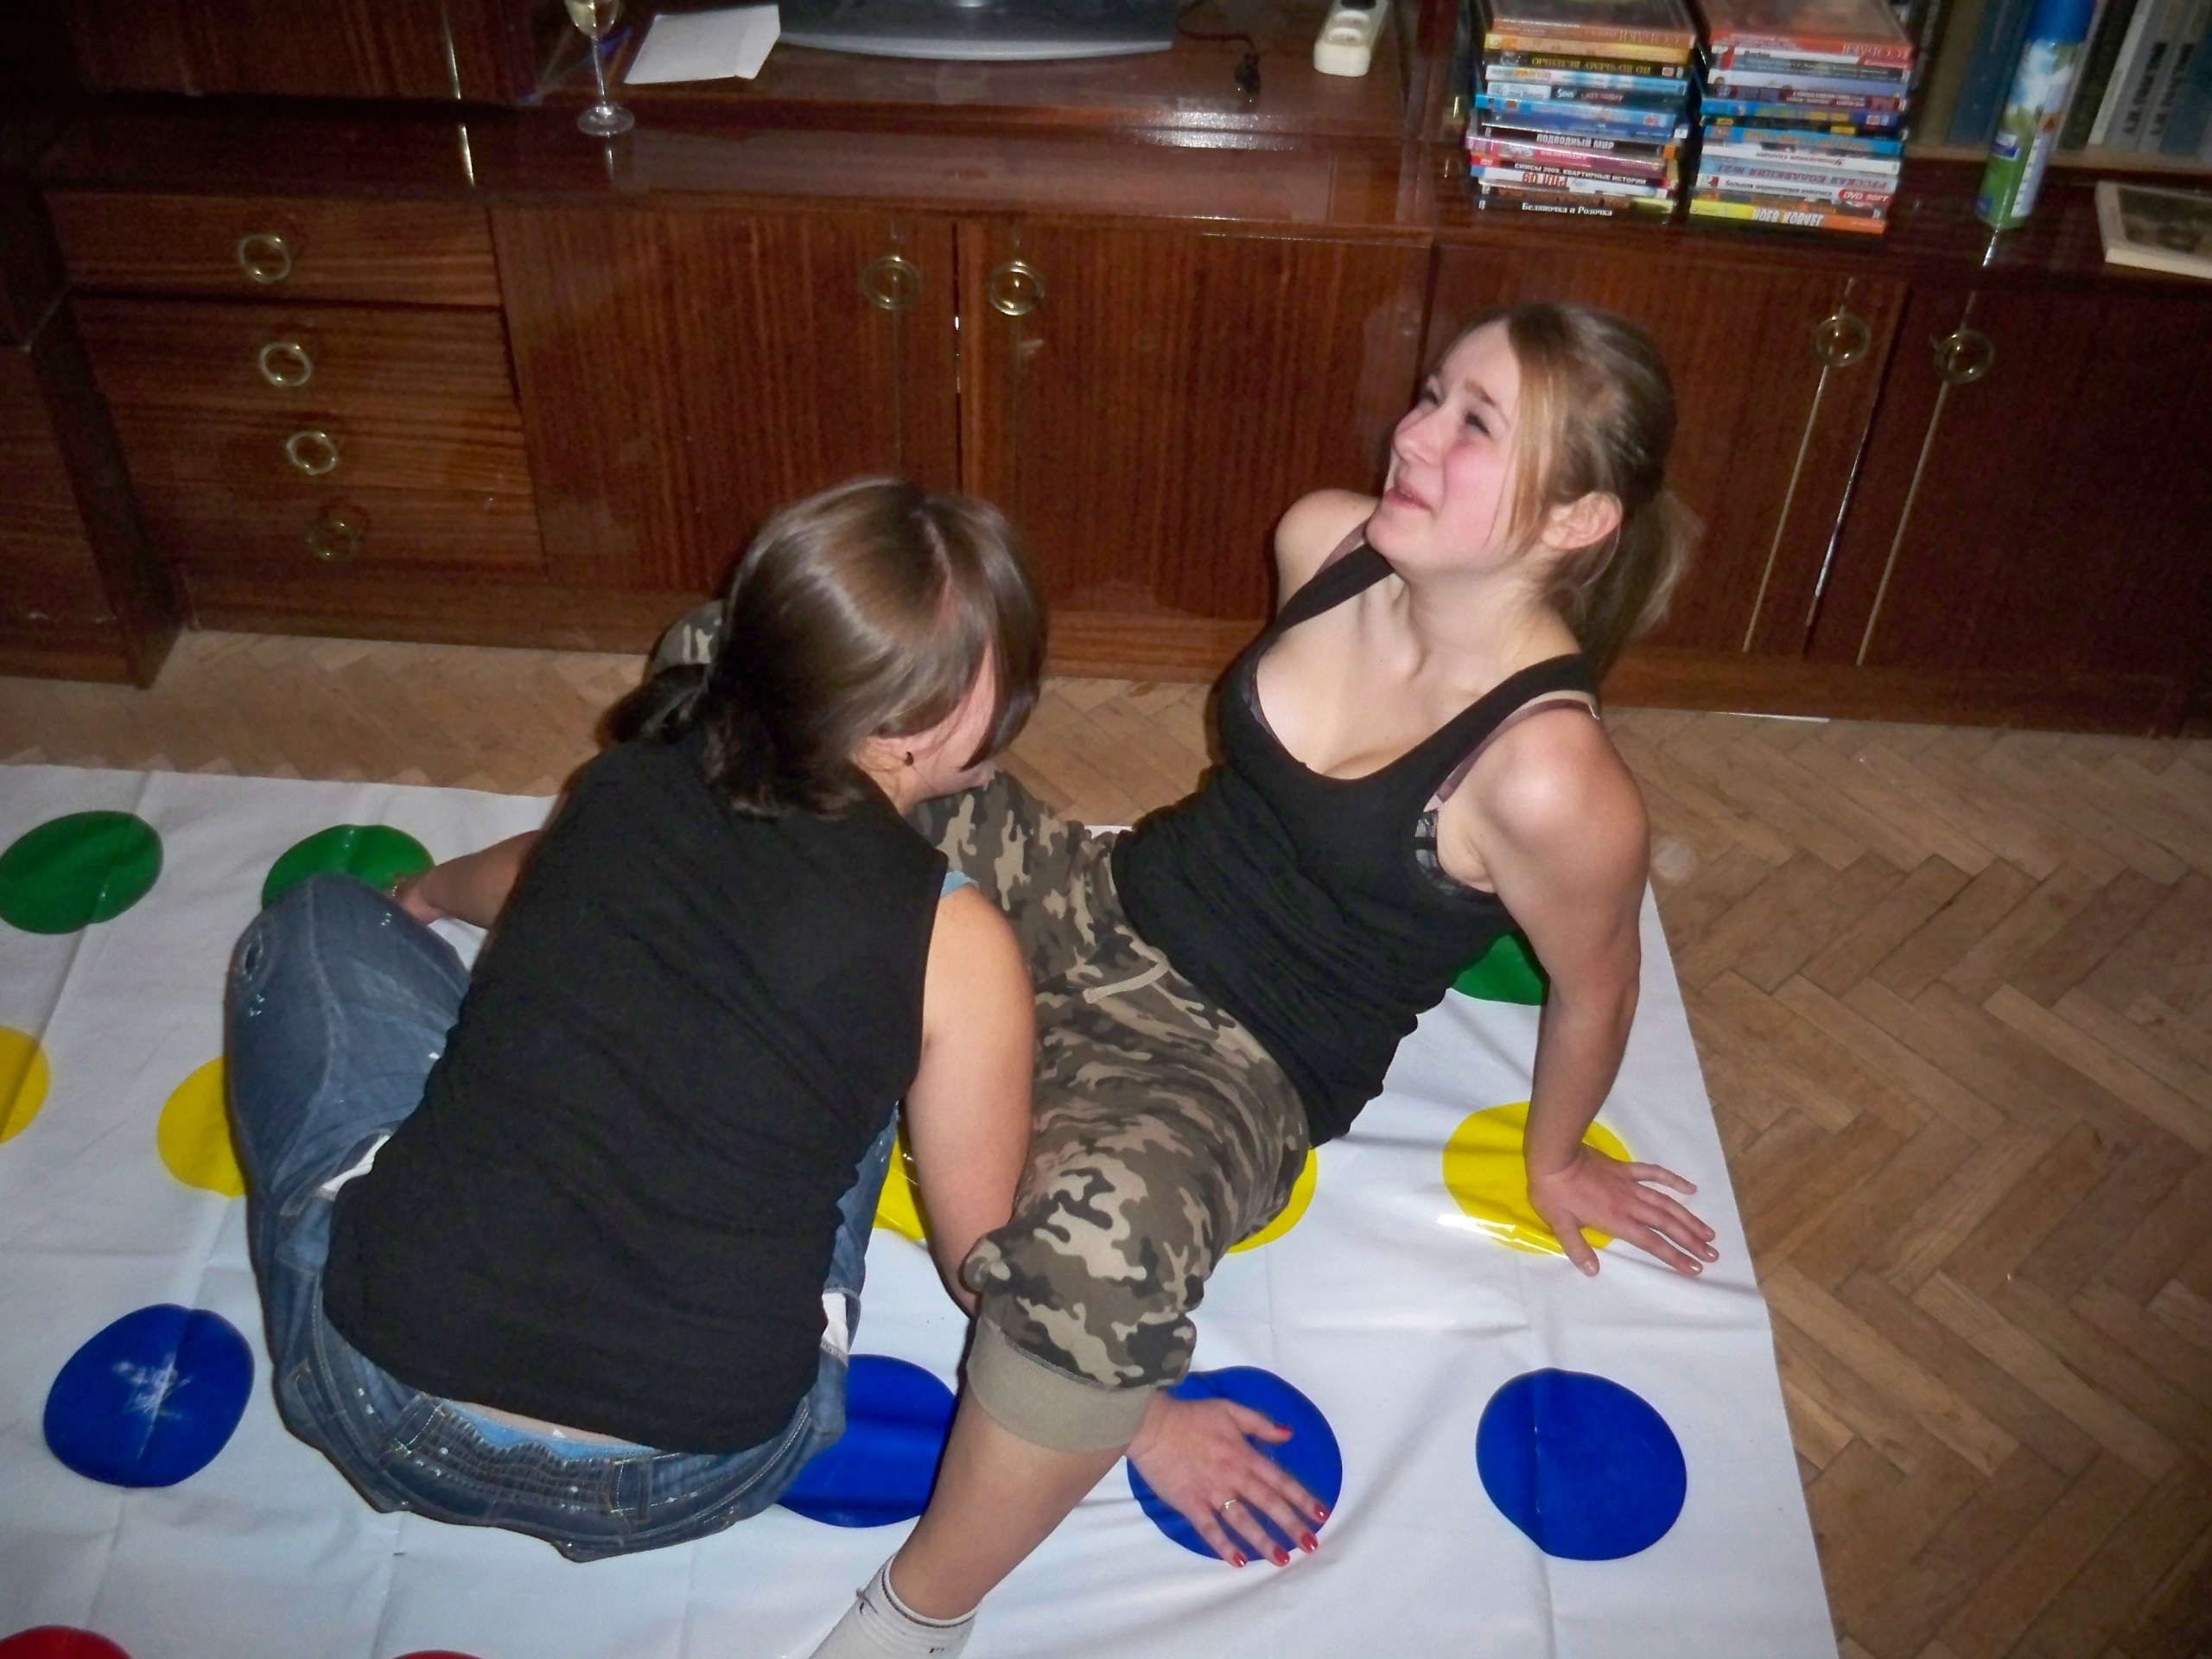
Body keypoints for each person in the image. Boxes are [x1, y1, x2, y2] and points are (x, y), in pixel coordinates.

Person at [800, 301, 1725, 1654]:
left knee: (1095, 1278)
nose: (1414, 434)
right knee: (770, 670)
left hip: (1231, 1062)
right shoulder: (1330, 542)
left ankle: (915, 1617)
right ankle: (561, 932)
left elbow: (1600, 983)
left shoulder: (1549, 777)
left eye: (1475, 425)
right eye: (1431, 394)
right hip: (1095, 898)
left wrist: (1555, 1159)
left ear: (1579, 519)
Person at [222, 479, 1047, 1572]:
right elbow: (985, 1264)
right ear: (942, 723)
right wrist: (1119, 1414)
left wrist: (421, 894)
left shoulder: (625, 778)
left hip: (381, 1401)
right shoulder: (962, 947)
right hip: (693, 1468)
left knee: (319, 917)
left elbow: (525, 878)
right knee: (865, 1068)